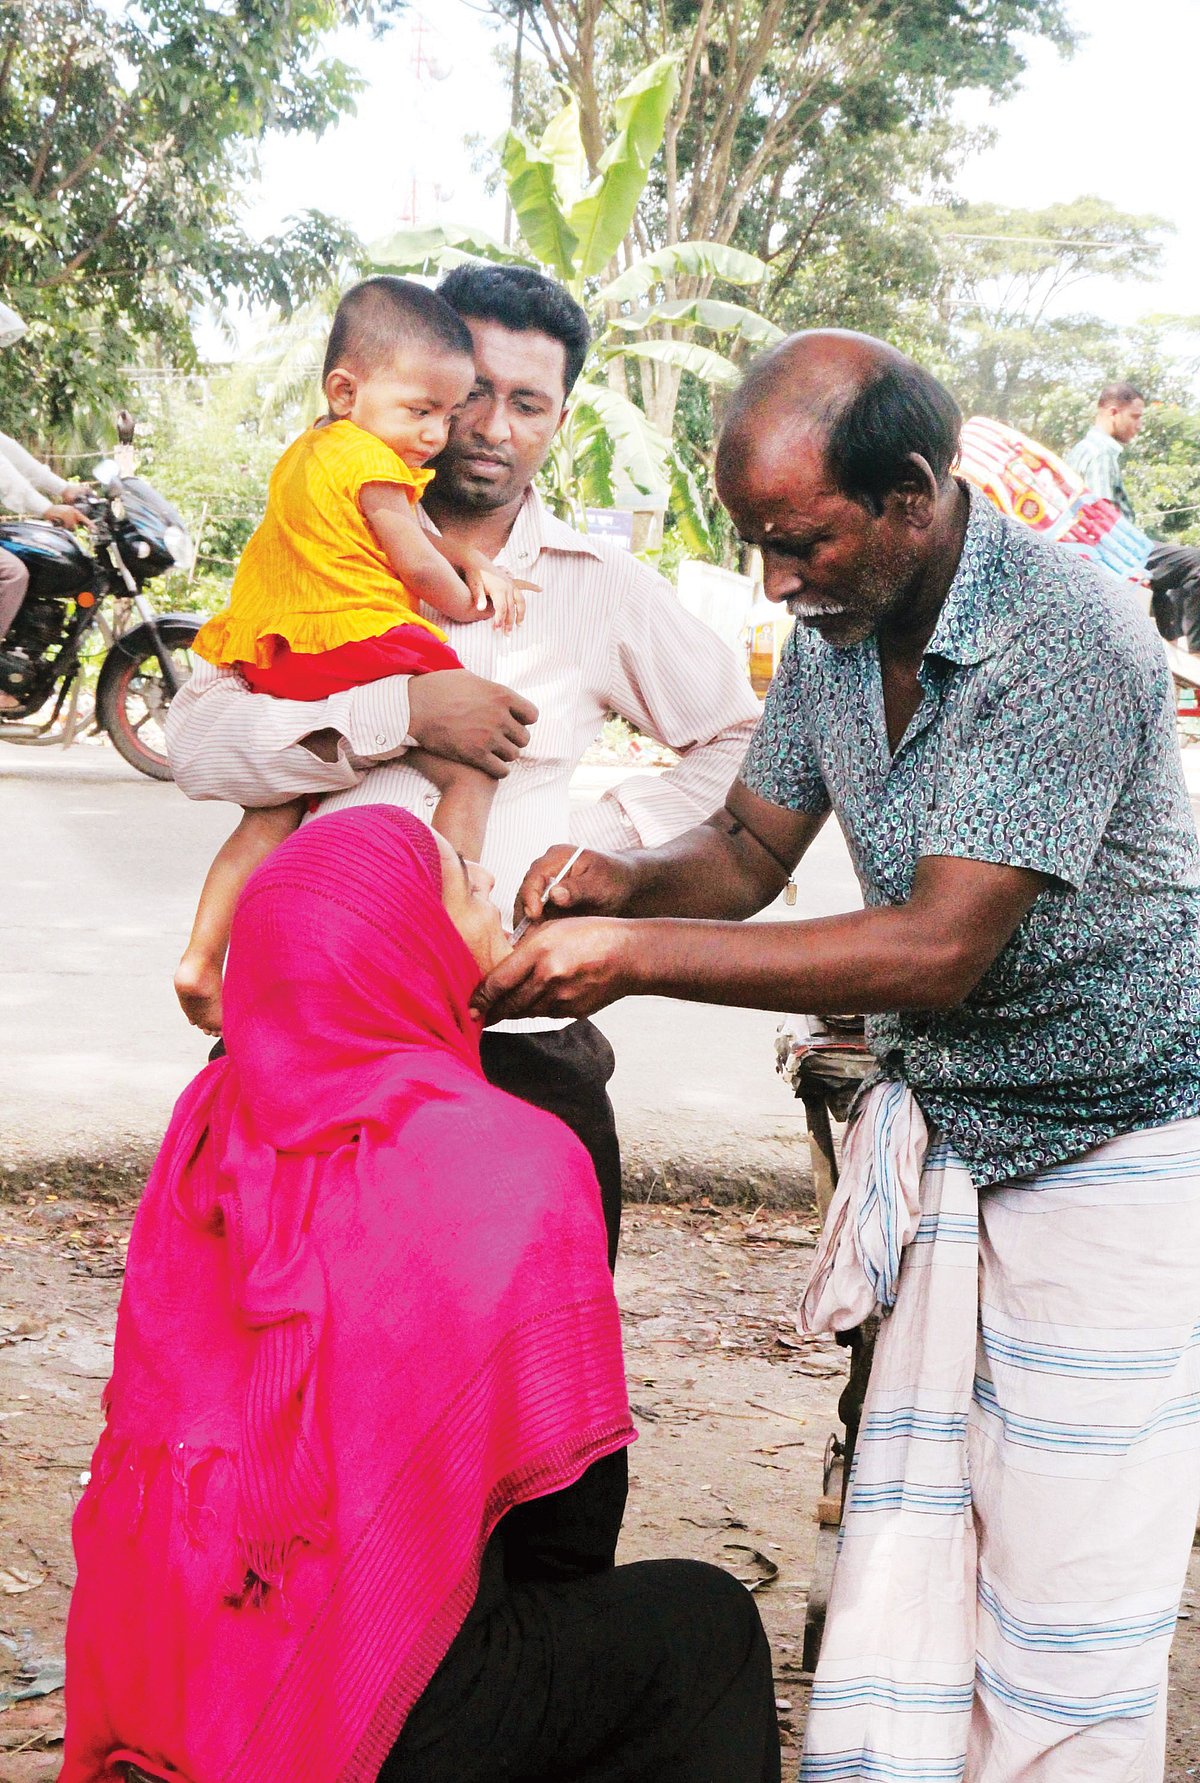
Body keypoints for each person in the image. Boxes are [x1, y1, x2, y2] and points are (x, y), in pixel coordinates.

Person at [480, 331, 1200, 1781]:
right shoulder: (834, 629)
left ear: (917, 496)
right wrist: (626, 879)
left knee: (1068, 1591)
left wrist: (629, 958)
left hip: (1119, 1139)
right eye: (756, 543)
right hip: (962, 1127)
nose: (774, 582)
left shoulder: (1063, 630)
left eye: (799, 541)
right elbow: (749, 846)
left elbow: (938, 948)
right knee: (925, 1556)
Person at [59, 805, 780, 1783]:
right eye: (459, 880)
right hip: (361, 1706)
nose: (489, 880)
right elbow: (564, 1532)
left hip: (169, 1673)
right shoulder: (508, 1161)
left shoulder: (210, 1126)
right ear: (404, 939)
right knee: (709, 1628)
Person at [166, 263, 760, 1271]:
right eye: (471, 391)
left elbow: (736, 736)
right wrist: (393, 714)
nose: (489, 425)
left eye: (528, 403)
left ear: (559, 419)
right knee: (289, 1360)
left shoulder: (599, 585)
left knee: (530, 1381)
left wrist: (602, 851)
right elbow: (194, 745)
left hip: (514, 1040)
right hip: (305, 1034)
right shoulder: (312, 539)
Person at [176, 277, 530, 1034]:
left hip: (281, 645)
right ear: (345, 389)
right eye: (421, 410)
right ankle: (447, 932)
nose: (438, 432)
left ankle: (203, 959)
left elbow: (407, 532)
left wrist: (458, 556)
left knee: (270, 814)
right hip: (353, 632)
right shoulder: (375, 464)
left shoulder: (313, 452)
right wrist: (474, 594)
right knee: (474, 758)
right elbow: (414, 562)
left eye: (446, 412)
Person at [1065, 379, 1145, 521]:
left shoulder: (1081, 449)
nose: (1139, 426)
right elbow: (1101, 521)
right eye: (1135, 417)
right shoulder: (1101, 454)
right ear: (1113, 413)